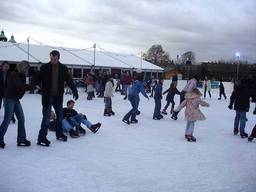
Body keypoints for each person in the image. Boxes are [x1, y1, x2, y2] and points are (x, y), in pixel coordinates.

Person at [37, 50, 79, 146]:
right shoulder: (45, 67)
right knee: (46, 118)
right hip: (47, 97)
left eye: (54, 59)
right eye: (51, 59)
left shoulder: (63, 68)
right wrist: (36, 87)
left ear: (58, 58)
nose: (53, 61)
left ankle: (59, 134)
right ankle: (41, 137)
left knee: (60, 116)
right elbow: (38, 78)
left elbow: (69, 80)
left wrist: (75, 90)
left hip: (58, 97)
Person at [0, 61, 37, 148]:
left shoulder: (22, 75)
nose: (27, 71)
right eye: (26, 68)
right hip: (9, 99)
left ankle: (21, 139)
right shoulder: (14, 75)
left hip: (16, 99)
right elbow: (20, 86)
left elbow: (22, 88)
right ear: (22, 67)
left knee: (21, 119)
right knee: (7, 119)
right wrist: (32, 87)